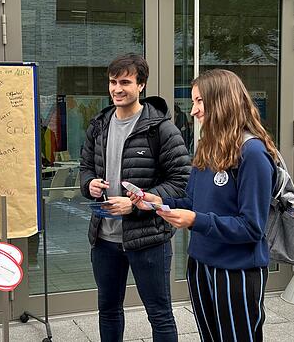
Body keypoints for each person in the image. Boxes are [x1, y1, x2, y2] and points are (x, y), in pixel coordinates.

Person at [132, 69, 277, 342]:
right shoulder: (207, 148)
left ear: (221, 101)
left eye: (199, 102)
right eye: (193, 102)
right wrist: (158, 201)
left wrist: (195, 221)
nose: (193, 111)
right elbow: (192, 202)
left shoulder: (253, 153)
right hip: (200, 265)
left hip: (237, 271)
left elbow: (252, 227)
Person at [79, 53, 191, 342]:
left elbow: (181, 182)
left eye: (125, 82)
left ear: (141, 85)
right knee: (108, 309)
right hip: (104, 239)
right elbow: (86, 167)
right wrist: (88, 183)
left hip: (148, 239)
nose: (117, 89)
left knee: (159, 312)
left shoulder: (161, 129)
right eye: (113, 82)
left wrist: (135, 204)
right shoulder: (99, 125)